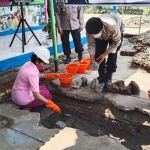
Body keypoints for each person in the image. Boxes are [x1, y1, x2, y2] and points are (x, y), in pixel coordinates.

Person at [11, 47, 61, 114]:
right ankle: (27, 108)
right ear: (37, 61)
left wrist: (48, 75)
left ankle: (27, 105)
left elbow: (34, 76)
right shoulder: (32, 73)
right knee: (47, 94)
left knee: (42, 87)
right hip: (22, 100)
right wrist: (51, 104)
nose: (44, 66)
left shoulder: (28, 64)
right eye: (43, 64)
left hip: (15, 94)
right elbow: (36, 95)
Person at [85, 14, 124, 84]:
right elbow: (91, 44)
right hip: (102, 35)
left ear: (102, 28)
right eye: (93, 34)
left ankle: (109, 76)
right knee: (98, 53)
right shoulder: (90, 30)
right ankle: (101, 75)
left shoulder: (113, 27)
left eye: (96, 34)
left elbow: (116, 43)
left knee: (112, 54)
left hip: (115, 33)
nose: (94, 35)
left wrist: (105, 54)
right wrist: (92, 56)